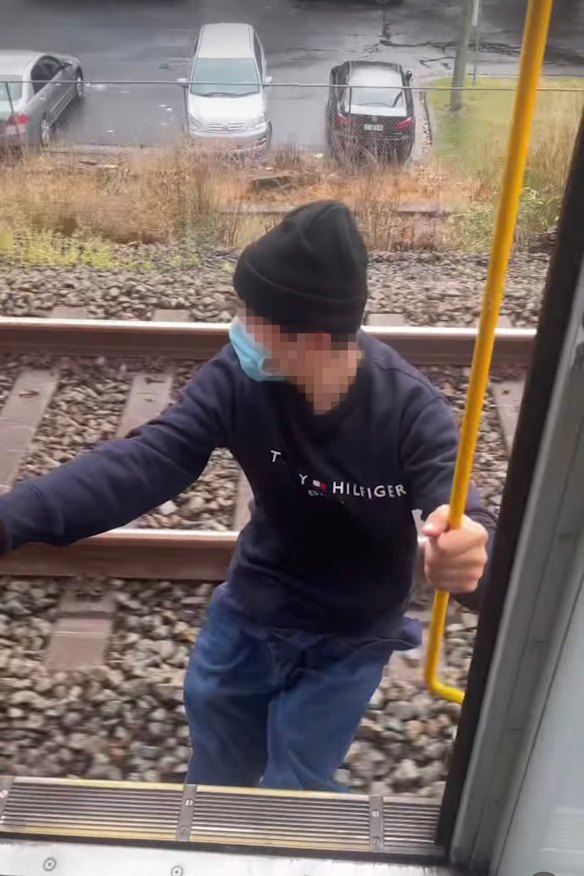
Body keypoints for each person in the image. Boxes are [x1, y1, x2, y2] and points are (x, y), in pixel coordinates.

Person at [0, 201, 494, 792]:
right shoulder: (238, 376)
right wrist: (11, 519)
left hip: (352, 635)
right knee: (216, 768)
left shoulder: (409, 410)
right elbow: (150, 459)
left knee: (295, 783)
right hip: (253, 608)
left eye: (252, 314)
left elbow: (468, 510)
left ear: (310, 338)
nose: (238, 327)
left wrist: (470, 554)